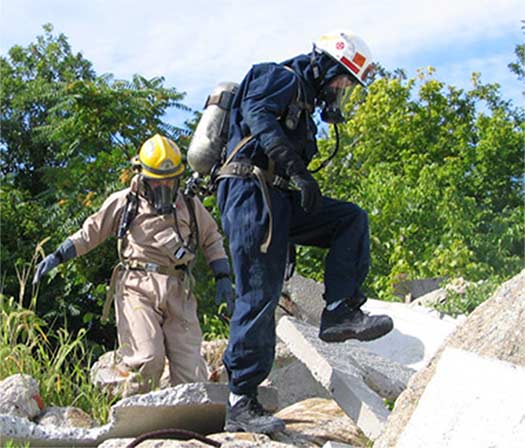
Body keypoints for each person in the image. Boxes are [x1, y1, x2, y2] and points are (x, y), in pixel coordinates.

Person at [215, 30, 394, 433]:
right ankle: (240, 402)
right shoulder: (277, 77)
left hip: (276, 196)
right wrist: (296, 171)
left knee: (349, 219)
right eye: (343, 79)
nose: (343, 89)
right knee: (259, 293)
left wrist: (294, 180)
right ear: (327, 65)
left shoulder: (305, 102)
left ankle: (338, 312)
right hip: (250, 191)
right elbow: (258, 116)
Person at [33, 134, 234, 397]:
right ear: (142, 175)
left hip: (178, 288)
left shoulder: (189, 205)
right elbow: (90, 232)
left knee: (191, 373)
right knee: (147, 360)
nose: (164, 187)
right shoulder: (125, 202)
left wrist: (222, 277)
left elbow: (211, 239)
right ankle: (136, 421)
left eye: (170, 181)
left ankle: (189, 430)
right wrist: (58, 256)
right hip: (137, 287)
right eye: (157, 181)